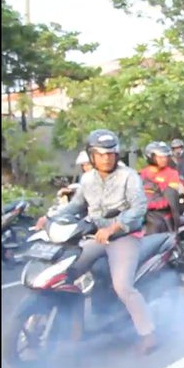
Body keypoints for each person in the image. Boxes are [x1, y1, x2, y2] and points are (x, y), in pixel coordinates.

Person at [35, 129, 158, 354]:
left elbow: (139, 208)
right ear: (91, 155)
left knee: (123, 287)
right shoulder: (87, 178)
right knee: (68, 272)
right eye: (100, 154)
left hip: (124, 237)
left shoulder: (128, 176)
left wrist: (114, 227)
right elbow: (77, 205)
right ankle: (75, 326)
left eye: (111, 153)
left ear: (117, 154)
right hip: (95, 236)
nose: (106, 158)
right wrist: (50, 216)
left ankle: (147, 334)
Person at [140, 141, 182, 234]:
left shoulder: (172, 173)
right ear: (150, 157)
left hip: (161, 216)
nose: (164, 159)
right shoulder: (142, 174)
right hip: (141, 215)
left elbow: (171, 197)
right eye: (160, 157)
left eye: (166, 156)